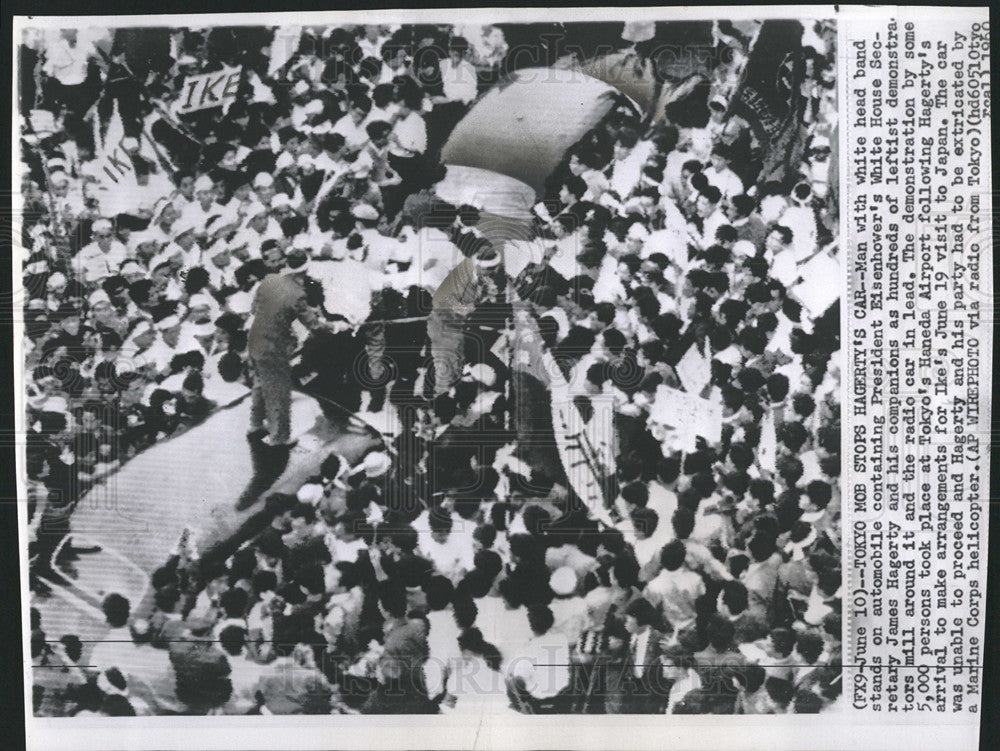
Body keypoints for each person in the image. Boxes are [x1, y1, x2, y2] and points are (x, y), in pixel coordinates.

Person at [246, 249, 330, 449]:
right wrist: (333, 326)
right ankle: (279, 438)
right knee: (278, 391)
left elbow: (254, 309)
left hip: (255, 339)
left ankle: (255, 425)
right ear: (304, 269)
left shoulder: (268, 281)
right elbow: (315, 326)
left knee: (260, 383)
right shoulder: (297, 293)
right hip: (273, 347)